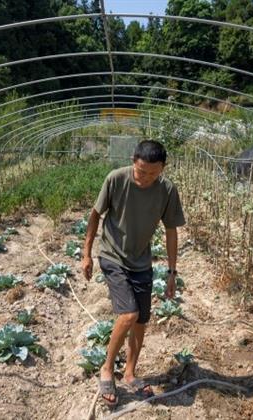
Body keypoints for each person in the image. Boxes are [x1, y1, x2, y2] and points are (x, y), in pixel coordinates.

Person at [81, 140, 186, 407]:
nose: (145, 178)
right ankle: (107, 368)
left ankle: (129, 372)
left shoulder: (167, 190)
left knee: (141, 321)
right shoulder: (116, 179)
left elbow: (171, 230)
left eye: (153, 173)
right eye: (140, 171)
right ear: (133, 161)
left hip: (141, 262)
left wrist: (172, 272)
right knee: (129, 314)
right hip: (112, 255)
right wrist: (86, 254)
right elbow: (95, 215)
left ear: (163, 168)